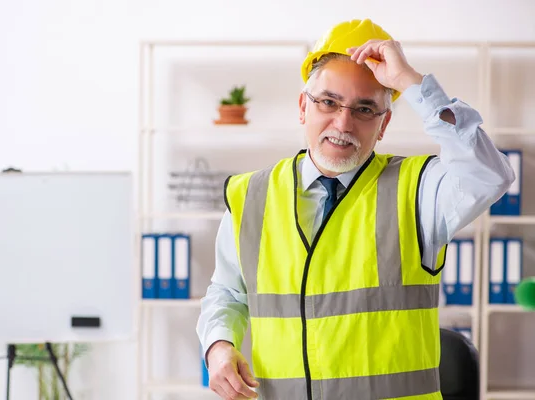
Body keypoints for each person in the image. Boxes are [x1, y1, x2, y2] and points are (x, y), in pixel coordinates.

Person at [196, 19, 515, 400]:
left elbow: (489, 175)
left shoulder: (418, 190)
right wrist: (218, 347)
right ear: (303, 107)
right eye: (328, 102)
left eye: (365, 109)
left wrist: (410, 81)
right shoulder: (250, 195)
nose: (343, 122)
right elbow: (228, 292)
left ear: (383, 126)